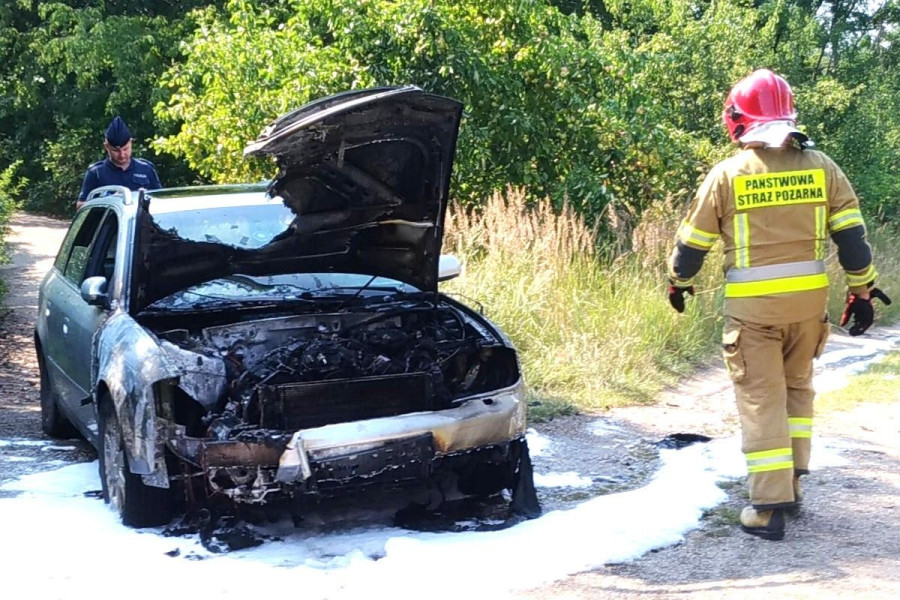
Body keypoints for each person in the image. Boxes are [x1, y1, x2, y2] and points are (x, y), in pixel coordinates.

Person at [666, 69, 891, 541]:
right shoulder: (822, 166)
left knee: (761, 400)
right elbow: (853, 240)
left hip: (754, 315)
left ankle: (768, 508)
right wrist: (862, 291)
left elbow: (692, 247)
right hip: (807, 310)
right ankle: (792, 482)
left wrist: (678, 282)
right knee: (796, 391)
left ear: (738, 119)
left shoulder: (727, 175)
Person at [76, 116, 161, 210]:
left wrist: (146, 197)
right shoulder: (96, 172)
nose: (122, 154)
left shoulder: (146, 169)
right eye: (116, 151)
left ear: (131, 143)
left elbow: (161, 202)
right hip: (108, 224)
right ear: (106, 147)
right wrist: (108, 200)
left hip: (141, 223)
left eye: (126, 149)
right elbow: (80, 207)